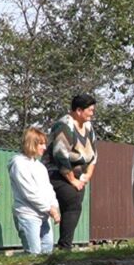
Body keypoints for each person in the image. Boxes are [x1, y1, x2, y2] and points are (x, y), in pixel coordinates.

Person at [45, 93, 97, 250]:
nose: (92, 113)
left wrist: (87, 175)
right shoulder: (64, 125)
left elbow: (94, 154)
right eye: (90, 110)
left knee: (75, 203)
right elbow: (60, 155)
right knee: (72, 199)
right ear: (79, 110)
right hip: (56, 173)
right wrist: (73, 180)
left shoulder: (88, 127)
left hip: (78, 174)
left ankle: (65, 245)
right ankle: (64, 246)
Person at [9, 126, 61, 254]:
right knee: (33, 252)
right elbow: (29, 192)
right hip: (27, 214)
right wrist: (49, 209)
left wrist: (54, 205)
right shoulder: (18, 163)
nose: (44, 147)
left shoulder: (40, 166)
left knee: (47, 249)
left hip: (44, 214)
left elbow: (48, 188)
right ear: (31, 143)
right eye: (41, 144)